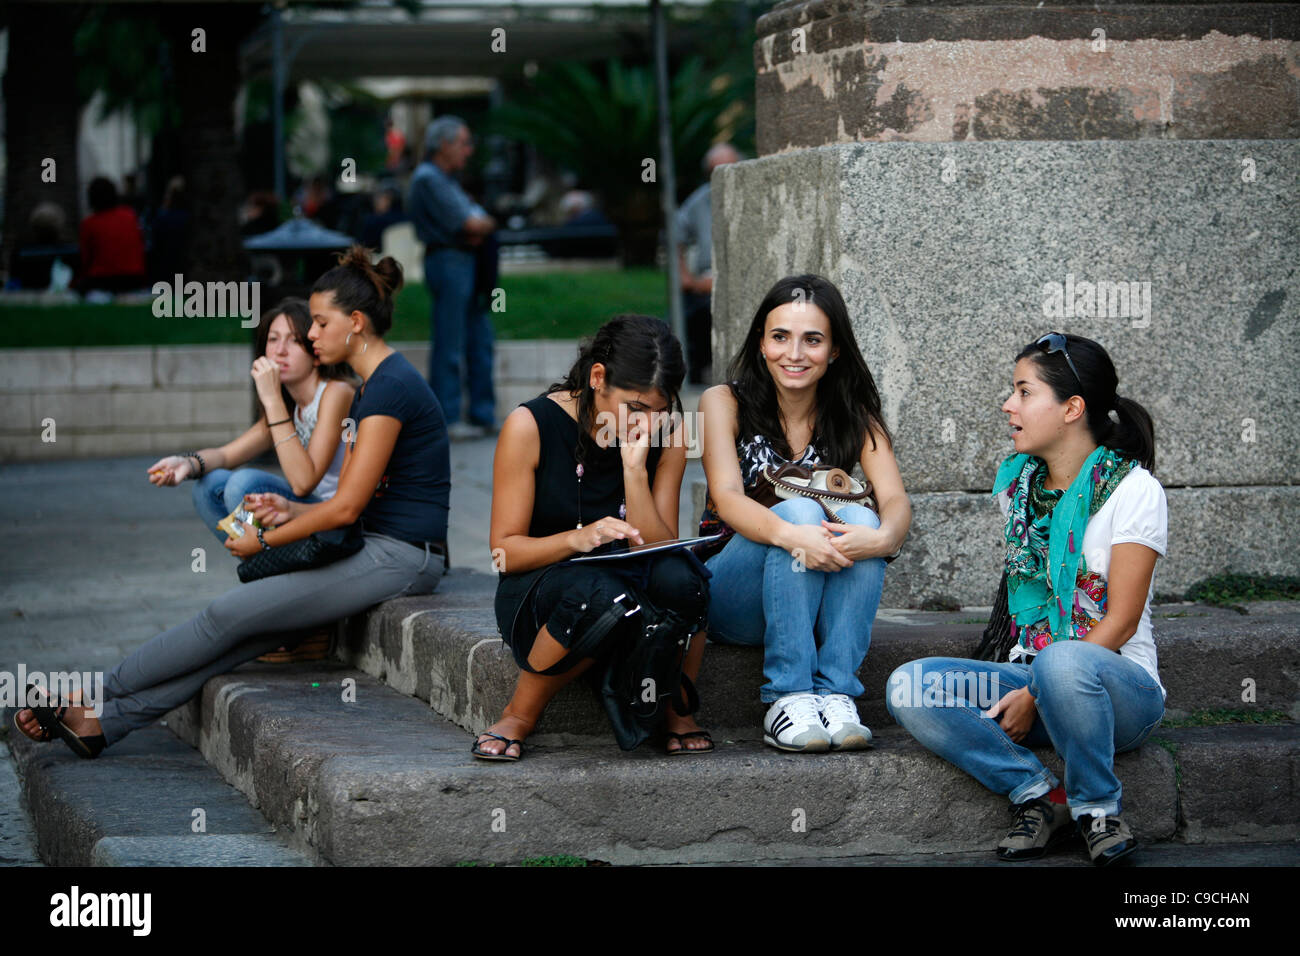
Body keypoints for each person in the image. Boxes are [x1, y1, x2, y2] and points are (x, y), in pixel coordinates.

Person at [12, 247, 450, 757]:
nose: (311, 334)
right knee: (240, 637)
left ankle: (85, 694)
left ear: (355, 323)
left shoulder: (390, 388)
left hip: (402, 555)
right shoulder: (377, 385)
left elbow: (347, 507)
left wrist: (264, 538)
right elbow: (344, 499)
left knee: (221, 616)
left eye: (320, 323)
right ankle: (103, 724)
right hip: (375, 544)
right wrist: (290, 513)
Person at [887, 332, 1166, 866]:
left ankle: (1097, 811)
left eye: (1023, 392)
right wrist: (1034, 683)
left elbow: (1123, 620)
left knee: (1061, 661)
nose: (1007, 405)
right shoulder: (1019, 492)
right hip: (1033, 676)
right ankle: (1041, 796)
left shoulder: (1134, 490)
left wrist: (1037, 691)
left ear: (1071, 408)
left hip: (1120, 694)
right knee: (911, 685)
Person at [477, 315, 712, 760]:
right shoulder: (530, 425)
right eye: (636, 408)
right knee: (598, 594)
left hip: (633, 580)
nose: (647, 423)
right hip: (545, 588)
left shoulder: (669, 432)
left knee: (687, 579)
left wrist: (633, 472)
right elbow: (504, 553)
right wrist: (578, 539)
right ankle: (518, 715)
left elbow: (659, 547)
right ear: (598, 377)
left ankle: (677, 711)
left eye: (660, 410)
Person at [697, 274, 910, 752]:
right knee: (800, 510)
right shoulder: (722, 402)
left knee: (864, 521)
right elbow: (727, 497)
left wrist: (884, 538)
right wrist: (795, 535)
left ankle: (835, 693)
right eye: (780, 337)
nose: (794, 353)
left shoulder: (854, 413)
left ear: (834, 351)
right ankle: (787, 696)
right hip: (733, 594)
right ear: (761, 343)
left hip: (807, 596)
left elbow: (896, 500)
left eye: (812, 340)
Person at [146, 298, 355, 547]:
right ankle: (261, 560)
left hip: (335, 516)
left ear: (316, 353)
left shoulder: (336, 392)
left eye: (295, 340)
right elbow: (225, 456)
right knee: (208, 485)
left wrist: (272, 398)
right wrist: (186, 463)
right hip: (304, 509)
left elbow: (303, 483)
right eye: (273, 339)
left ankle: (266, 556)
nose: (280, 351)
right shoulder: (288, 406)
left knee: (244, 484)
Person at [408, 115, 498, 439]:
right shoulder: (428, 179)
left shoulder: (445, 179)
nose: (468, 150)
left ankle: (481, 414)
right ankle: (447, 417)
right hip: (448, 262)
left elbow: (479, 223)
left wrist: (480, 226)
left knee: (479, 338)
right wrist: (479, 227)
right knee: (451, 342)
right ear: (443, 145)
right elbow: (473, 224)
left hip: (463, 262)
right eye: (463, 143)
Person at [677, 143, 740, 384]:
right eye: (716, 170)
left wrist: (720, 282)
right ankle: (692, 377)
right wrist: (685, 276)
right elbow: (675, 236)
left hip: (738, 281)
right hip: (704, 281)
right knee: (687, 318)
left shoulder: (755, 194)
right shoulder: (699, 200)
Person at [78, 176, 147, 294]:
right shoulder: (130, 216)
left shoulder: (89, 224)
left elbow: (85, 259)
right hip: (135, 277)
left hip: (102, 280)